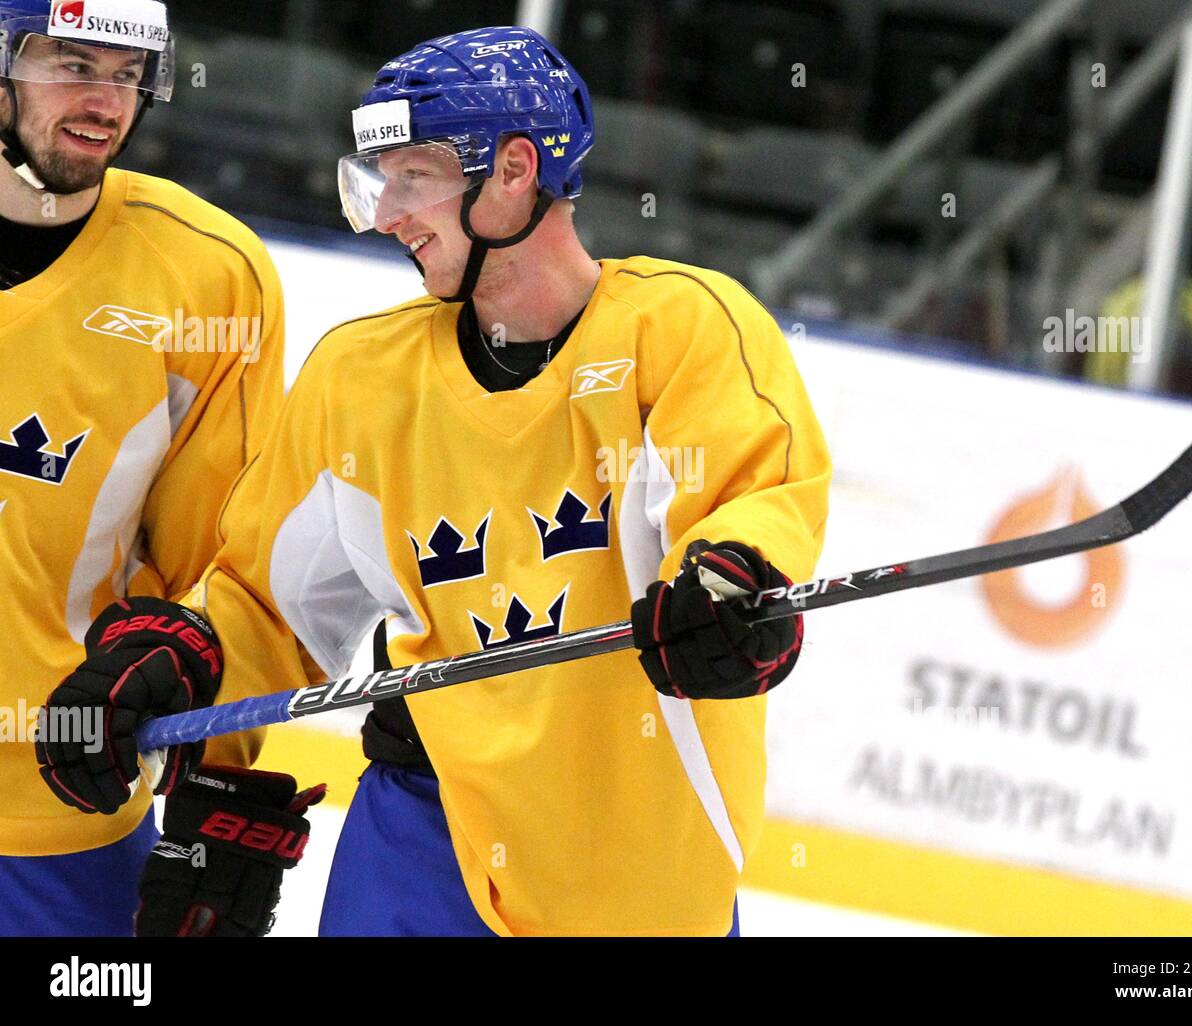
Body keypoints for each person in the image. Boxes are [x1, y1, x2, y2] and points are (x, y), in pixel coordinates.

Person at [40, 24, 831, 937]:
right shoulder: (360, 376)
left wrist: (733, 588)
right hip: (424, 820)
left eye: (411, 178)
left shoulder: (682, 328)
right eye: (379, 182)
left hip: (635, 853)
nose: (386, 214)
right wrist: (184, 665)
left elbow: (752, 499)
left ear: (513, 171)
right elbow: (269, 604)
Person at [0, 0, 291, 937]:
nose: (103, 101)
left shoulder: (208, 276)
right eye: (72, 64)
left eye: (127, 74)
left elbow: (234, 563)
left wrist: (220, 794)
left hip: (54, 794)